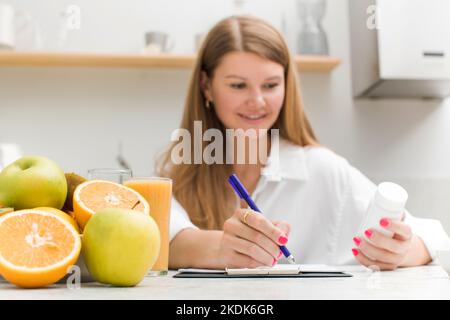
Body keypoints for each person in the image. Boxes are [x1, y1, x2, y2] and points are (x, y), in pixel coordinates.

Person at [157, 15, 448, 270]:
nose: (257, 101)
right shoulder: (180, 172)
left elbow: (434, 236)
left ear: (286, 85)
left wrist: (403, 250)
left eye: (270, 85)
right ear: (207, 86)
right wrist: (219, 246)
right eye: (238, 85)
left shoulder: (322, 169)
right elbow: (159, 239)